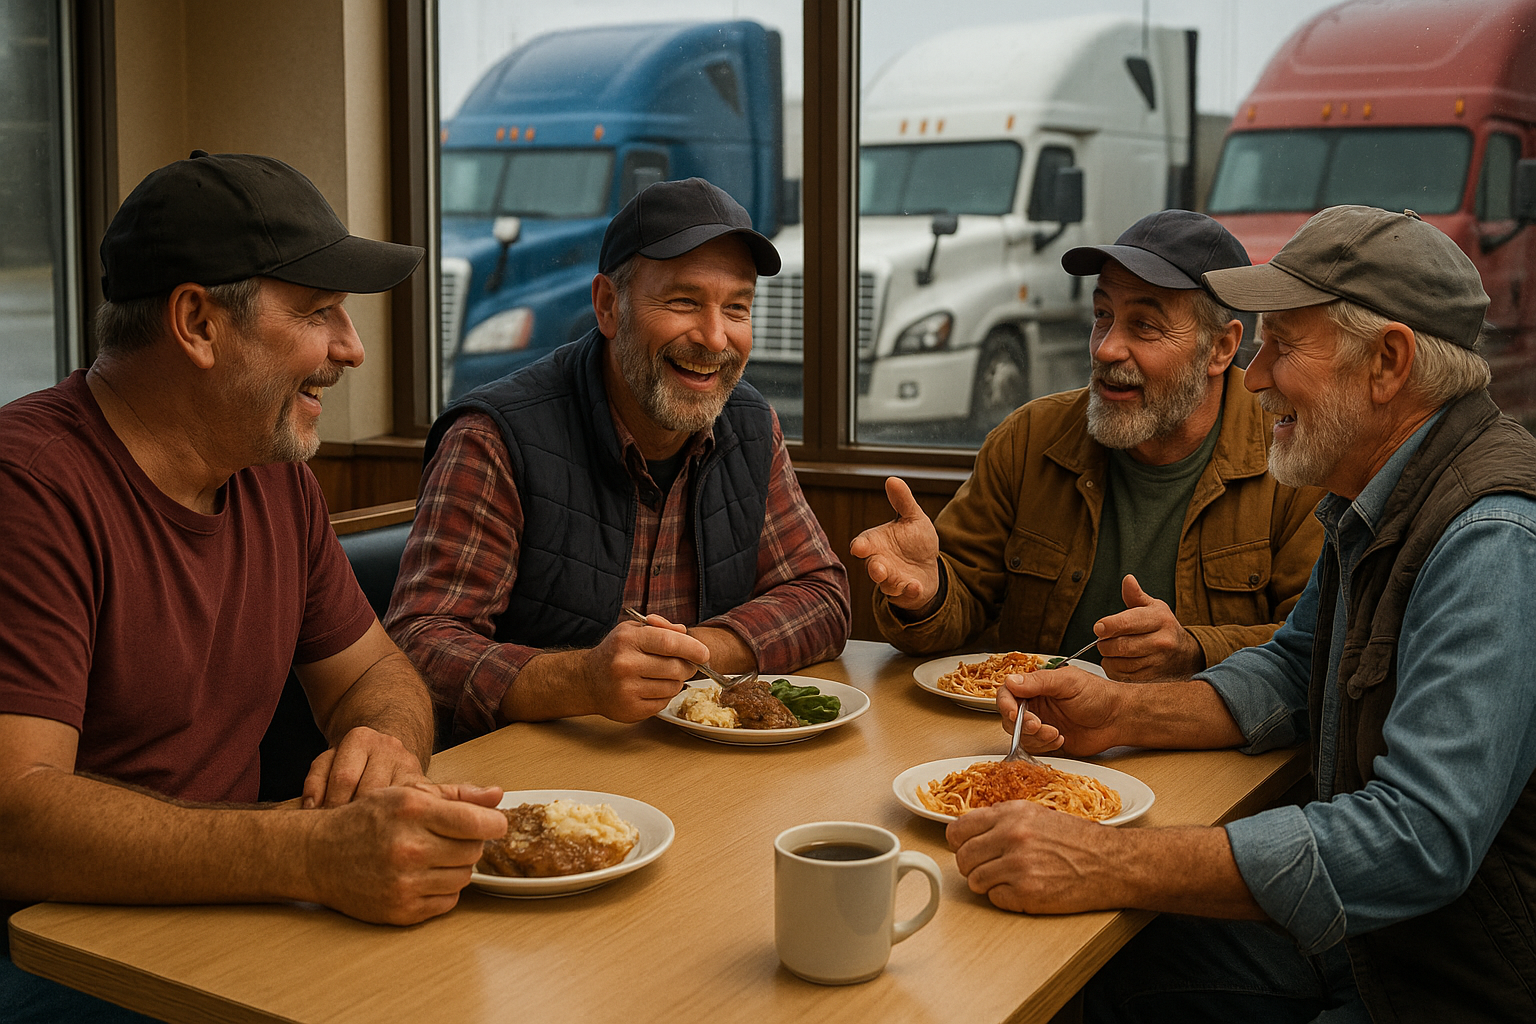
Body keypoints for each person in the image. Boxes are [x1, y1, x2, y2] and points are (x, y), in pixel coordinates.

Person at [953, 206, 1536, 1023]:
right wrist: (1118, 712)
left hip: (1438, 986)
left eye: (1282, 345)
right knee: (1104, 966)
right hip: (1365, 945)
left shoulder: (1491, 536)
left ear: (1389, 361)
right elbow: (1296, 666)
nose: (1255, 377)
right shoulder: (1376, 491)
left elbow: (1417, 839)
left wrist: (1108, 860)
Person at [0, 151, 509, 1022]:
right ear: (197, 323)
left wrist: (385, 743)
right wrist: (307, 852)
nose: (350, 348)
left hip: (226, 918)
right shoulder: (28, 487)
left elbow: (371, 672)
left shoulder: (274, 476)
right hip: (51, 951)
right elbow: (15, 816)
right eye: (317, 312)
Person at [386, 177, 850, 743]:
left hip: (695, 763)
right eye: (683, 302)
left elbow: (821, 596)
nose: (714, 338)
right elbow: (420, 644)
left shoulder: (750, 426)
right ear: (608, 305)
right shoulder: (493, 438)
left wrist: (693, 652)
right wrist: (582, 680)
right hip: (537, 772)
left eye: (736, 308)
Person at [851, 211, 1325, 681]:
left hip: (1193, 730)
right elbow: (960, 602)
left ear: (1220, 348)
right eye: (1103, 316)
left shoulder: (1294, 460)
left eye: (1145, 326)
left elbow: (1314, 645)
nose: (1105, 349)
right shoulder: (1028, 439)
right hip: (1030, 726)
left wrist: (1195, 650)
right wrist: (927, 595)